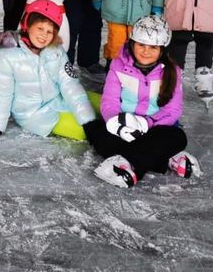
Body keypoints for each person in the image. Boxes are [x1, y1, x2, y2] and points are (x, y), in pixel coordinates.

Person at [83, 15, 200, 188]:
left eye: (153, 47)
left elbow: (172, 110)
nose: (146, 51)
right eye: (141, 45)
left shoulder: (172, 71)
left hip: (157, 129)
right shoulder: (118, 65)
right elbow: (109, 102)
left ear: (162, 49)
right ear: (132, 44)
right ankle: (164, 157)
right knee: (101, 136)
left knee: (177, 137)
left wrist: (146, 124)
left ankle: (129, 165)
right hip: (125, 127)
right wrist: (118, 124)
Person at [0, 0, 97, 140]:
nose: (44, 35)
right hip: (36, 115)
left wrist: (88, 120)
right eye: (40, 28)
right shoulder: (6, 56)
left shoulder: (56, 50)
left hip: (58, 99)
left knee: (108, 109)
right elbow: (2, 93)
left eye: (49, 31)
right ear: (27, 25)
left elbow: (70, 84)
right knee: (89, 131)